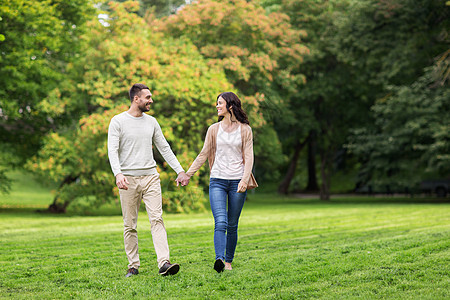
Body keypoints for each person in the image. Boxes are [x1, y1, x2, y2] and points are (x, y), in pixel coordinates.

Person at [108, 83, 190, 277]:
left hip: (151, 177)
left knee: (157, 219)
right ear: (136, 99)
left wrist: (180, 171)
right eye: (148, 97)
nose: (151, 101)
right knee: (130, 224)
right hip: (128, 179)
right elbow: (112, 150)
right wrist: (118, 174)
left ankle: (164, 263)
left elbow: (164, 148)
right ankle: (133, 266)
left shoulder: (152, 122)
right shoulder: (118, 121)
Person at [178, 92, 257, 273]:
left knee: (232, 224)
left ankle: (228, 260)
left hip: (238, 181)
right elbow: (204, 154)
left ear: (230, 106)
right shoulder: (213, 129)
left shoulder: (245, 129)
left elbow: (249, 156)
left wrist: (245, 179)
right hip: (218, 181)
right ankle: (219, 259)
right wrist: (188, 174)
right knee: (220, 222)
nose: (216, 106)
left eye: (219, 103)